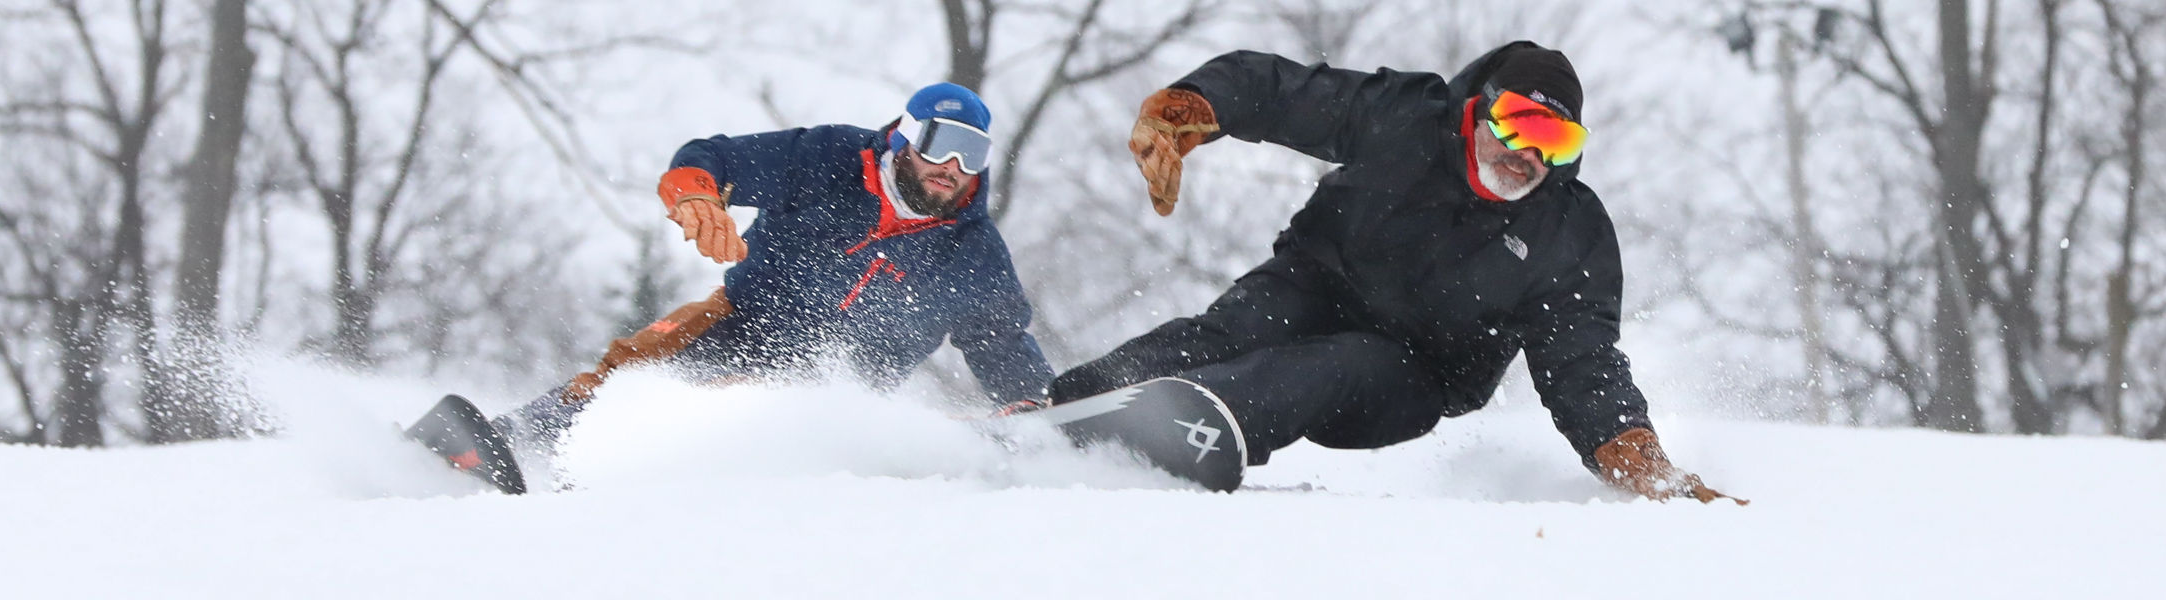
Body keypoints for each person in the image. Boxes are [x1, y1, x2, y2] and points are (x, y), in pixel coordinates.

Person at [1046, 42, 1739, 503]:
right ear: (1479, 112)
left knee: (1342, 362)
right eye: (1518, 123)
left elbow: (1581, 361)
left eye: (1554, 141)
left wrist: (1634, 452)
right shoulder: (1409, 117)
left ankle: (1185, 427)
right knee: (1234, 329)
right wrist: (1194, 108)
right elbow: (1283, 90)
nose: (1528, 153)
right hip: (1315, 280)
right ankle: (1062, 413)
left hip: (1416, 371)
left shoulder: (1568, 233)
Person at [500, 82, 1054, 445]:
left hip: (844, 395)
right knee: (634, 376)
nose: (953, 166)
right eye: (941, 144)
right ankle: (513, 444)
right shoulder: (831, 158)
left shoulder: (973, 250)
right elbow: (713, 158)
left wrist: (1040, 411)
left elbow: (999, 342)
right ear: (907, 137)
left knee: (733, 426)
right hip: (744, 324)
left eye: (972, 153)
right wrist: (697, 192)